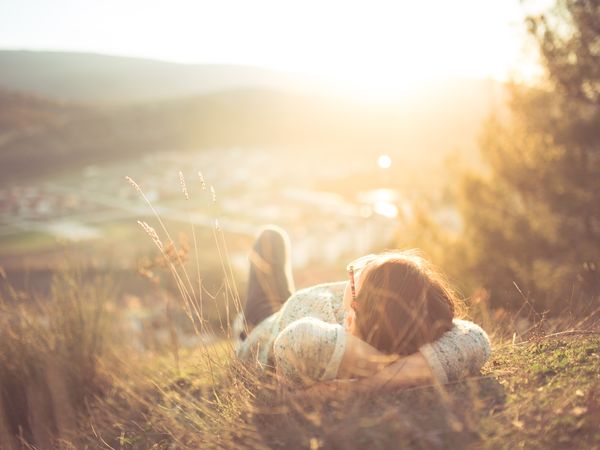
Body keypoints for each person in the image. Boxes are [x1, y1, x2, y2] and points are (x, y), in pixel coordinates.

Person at [235, 226, 491, 387]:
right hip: (287, 308)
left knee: (269, 238)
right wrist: (389, 368)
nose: (350, 274)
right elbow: (476, 339)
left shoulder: (319, 343)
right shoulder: (400, 323)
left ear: (355, 313)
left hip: (265, 323)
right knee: (273, 238)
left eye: (357, 277)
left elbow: (296, 339)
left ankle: (241, 331)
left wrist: (360, 387)